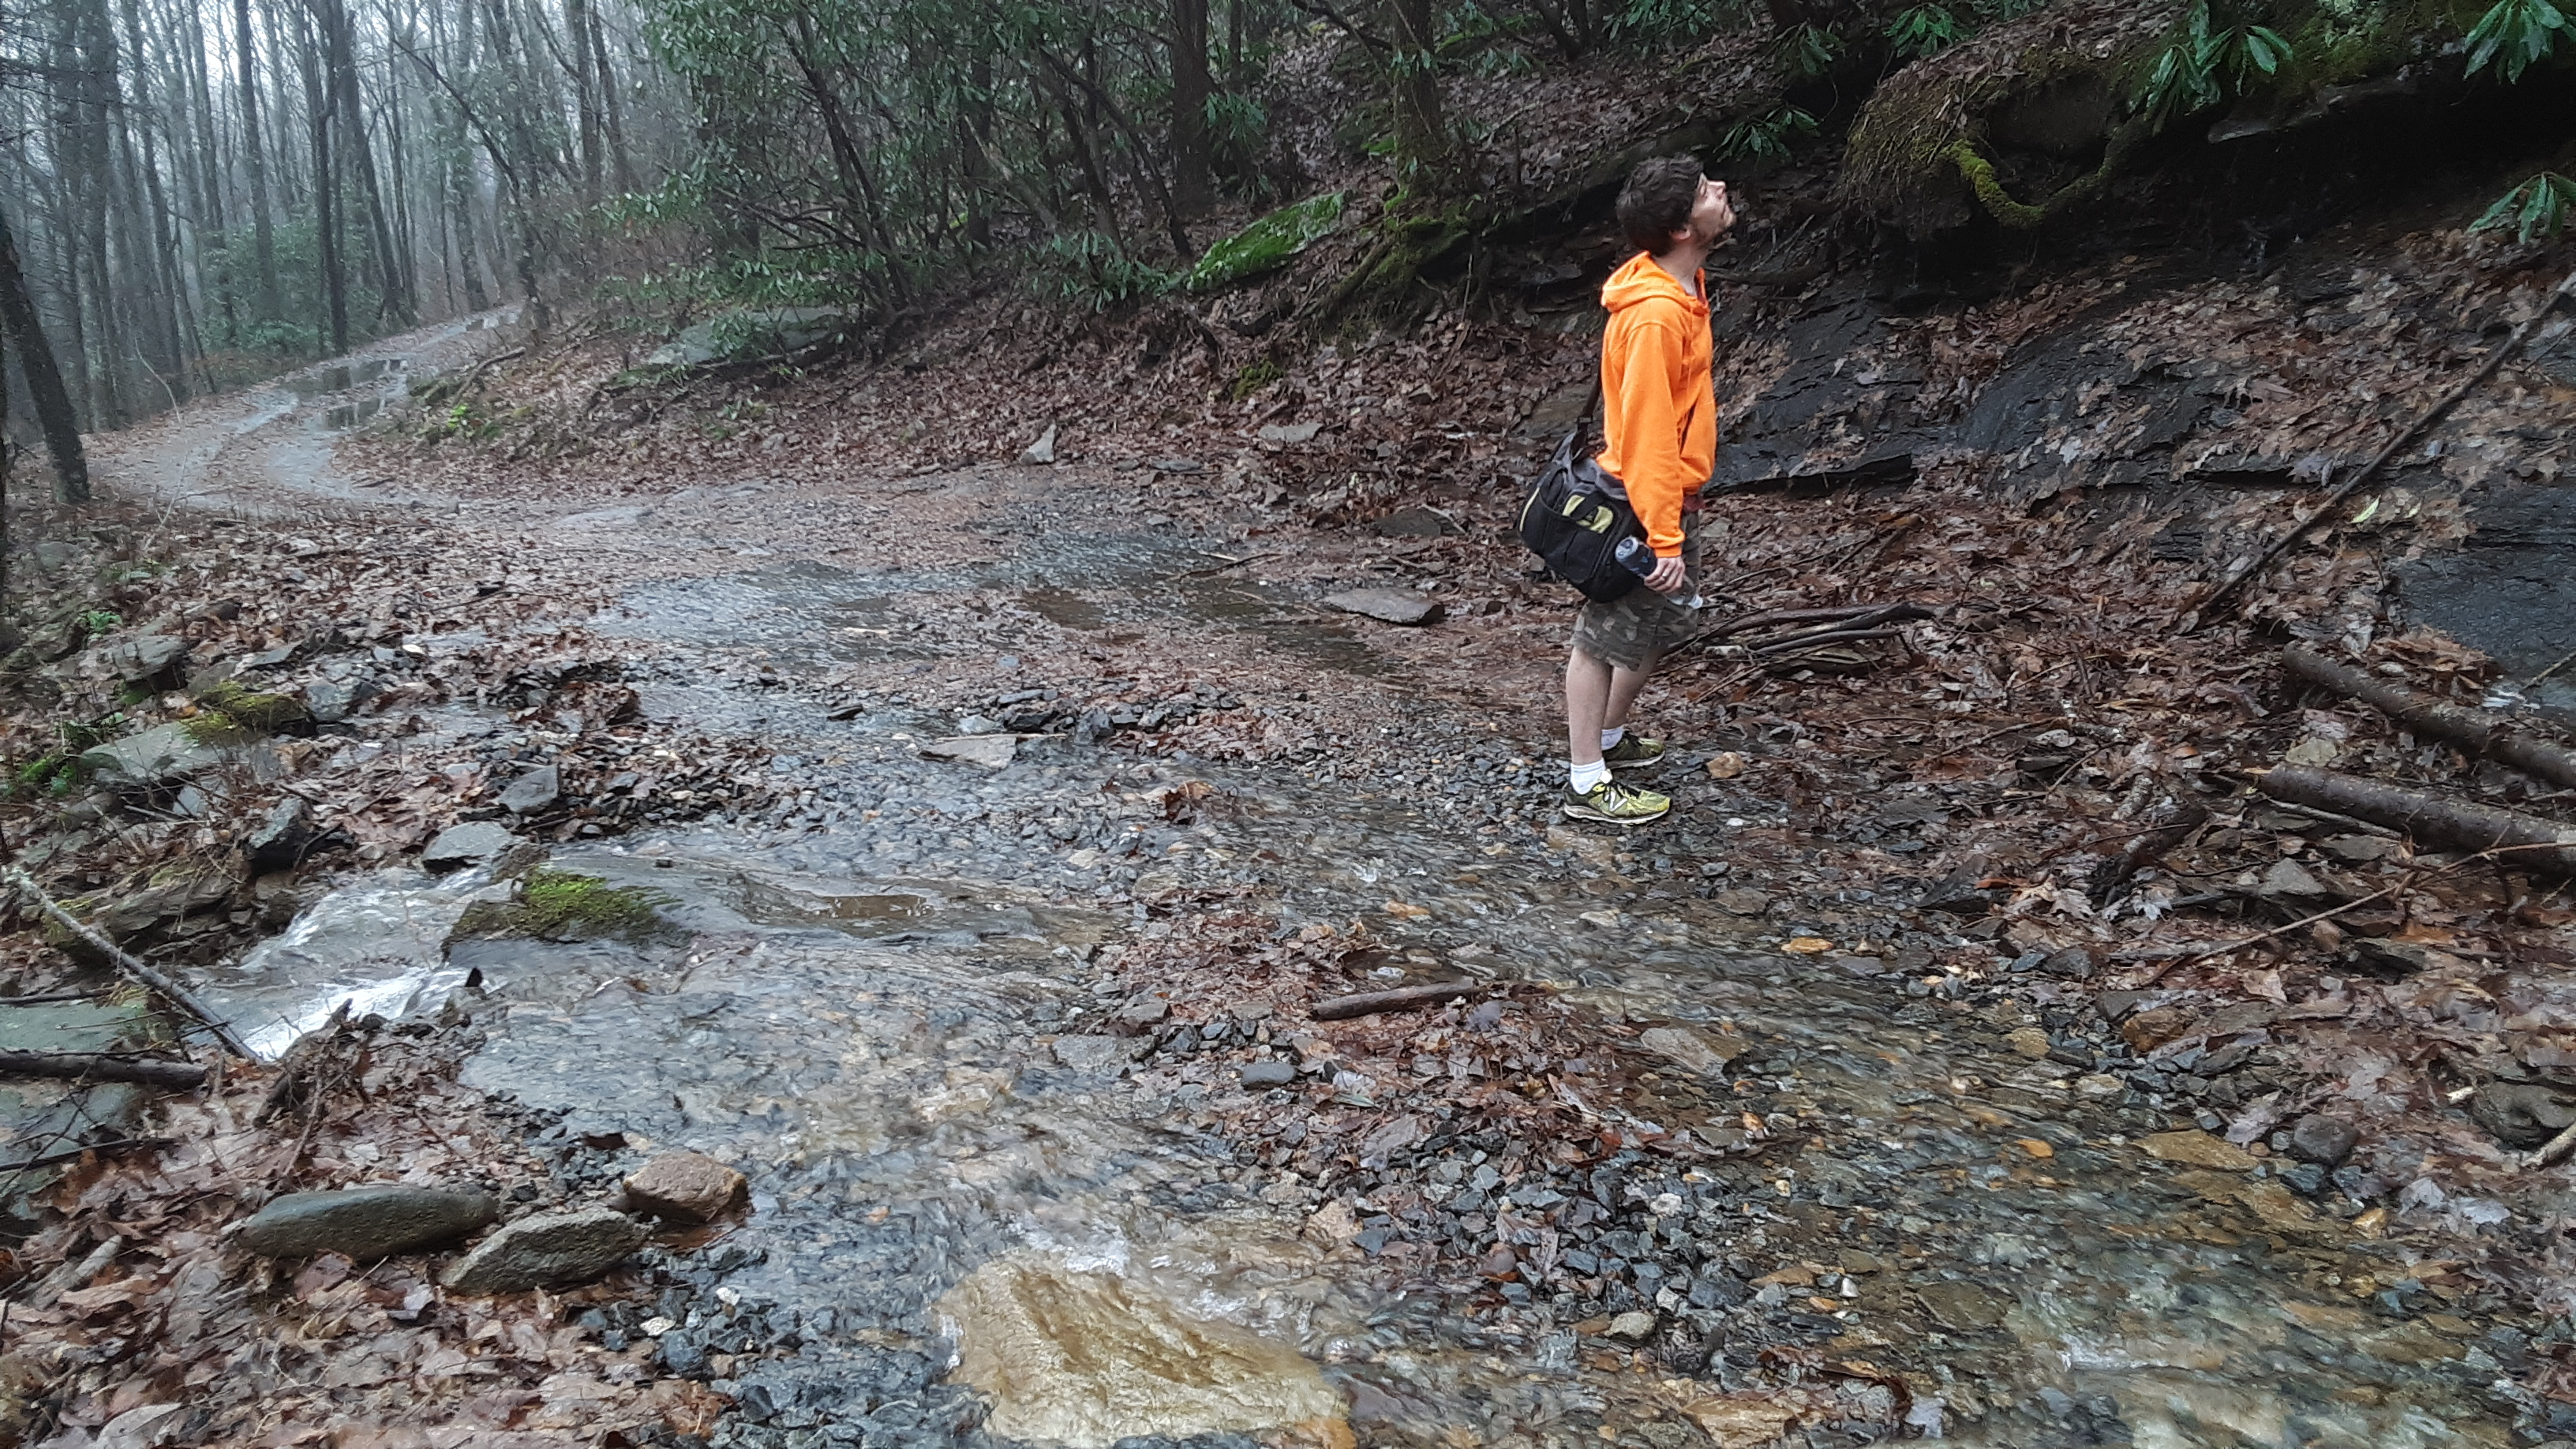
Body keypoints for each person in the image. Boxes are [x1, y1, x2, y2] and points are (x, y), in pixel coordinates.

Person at [1560, 155, 1734, 826]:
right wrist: (1660, 536)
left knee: (1662, 623)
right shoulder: (1656, 315)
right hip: (1641, 504)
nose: (1721, 190)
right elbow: (1648, 432)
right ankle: (1585, 781)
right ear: (1682, 229)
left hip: (1670, 497)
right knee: (1599, 638)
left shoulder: (1682, 287)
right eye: (1706, 191)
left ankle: (1607, 738)